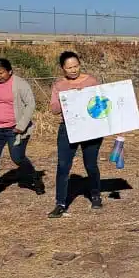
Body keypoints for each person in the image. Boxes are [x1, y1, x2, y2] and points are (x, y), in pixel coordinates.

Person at [0, 58, 42, 201]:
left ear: (10, 71)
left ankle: (34, 177)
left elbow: (30, 104)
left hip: (14, 129)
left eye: (1, 73)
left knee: (17, 157)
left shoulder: (20, 84)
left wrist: (21, 125)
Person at [49, 51, 104, 218]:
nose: (73, 70)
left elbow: (101, 105)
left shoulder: (91, 81)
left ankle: (95, 195)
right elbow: (54, 109)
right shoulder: (59, 85)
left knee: (91, 164)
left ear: (80, 64)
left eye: (75, 66)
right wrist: (66, 98)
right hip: (68, 128)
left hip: (90, 129)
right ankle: (60, 203)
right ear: (63, 69)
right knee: (63, 166)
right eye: (69, 68)